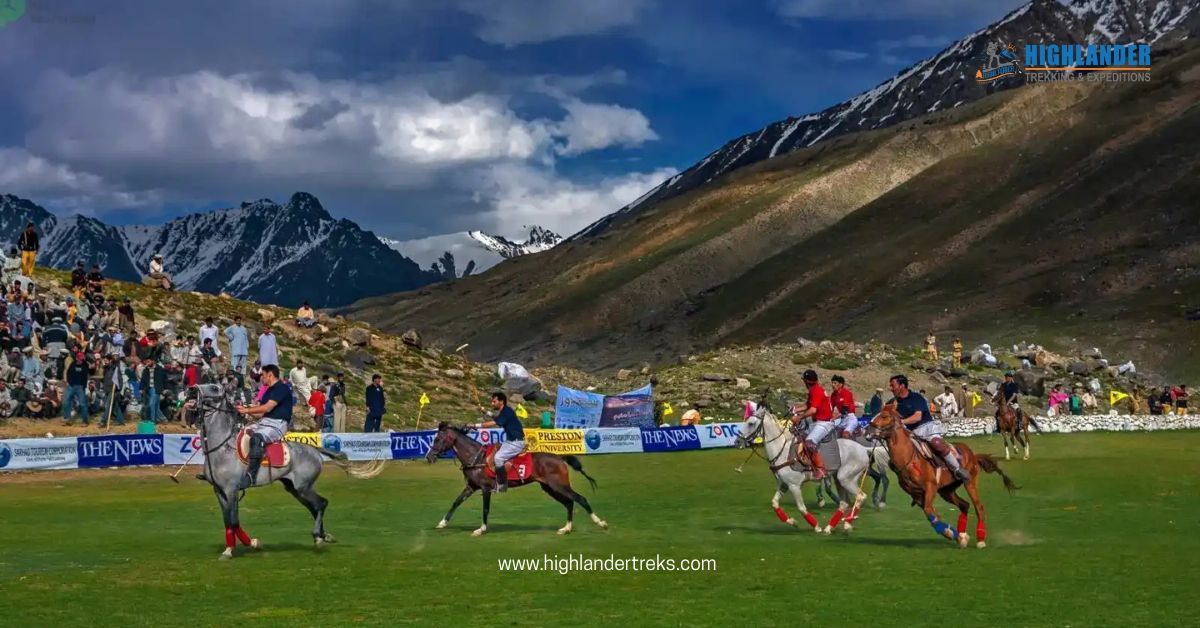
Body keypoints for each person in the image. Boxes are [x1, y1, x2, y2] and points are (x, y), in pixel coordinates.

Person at [889, 374, 970, 483]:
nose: (890, 388)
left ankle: (957, 469)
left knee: (937, 444)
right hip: (909, 433)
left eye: (893, 385)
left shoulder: (916, 397)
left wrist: (900, 422)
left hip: (926, 428)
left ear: (902, 386)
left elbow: (918, 417)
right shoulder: (893, 402)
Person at [234, 364, 293, 489]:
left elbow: (267, 407)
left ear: (270, 375)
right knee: (239, 433)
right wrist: (245, 410)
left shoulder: (282, 388)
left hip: (278, 424)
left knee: (256, 438)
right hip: (264, 422)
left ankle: (251, 477)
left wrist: (246, 410)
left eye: (263, 375)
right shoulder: (268, 391)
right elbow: (261, 413)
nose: (261, 378)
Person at [473, 391, 525, 493]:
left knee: (498, 458)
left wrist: (475, 425)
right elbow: (498, 418)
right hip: (510, 441)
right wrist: (485, 412)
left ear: (501, 401)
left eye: (494, 401)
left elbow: (494, 422)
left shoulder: (507, 411)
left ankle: (502, 485)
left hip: (516, 443)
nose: (492, 403)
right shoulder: (504, 411)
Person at [790, 369, 833, 480]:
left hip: (824, 423)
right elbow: (808, 405)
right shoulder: (813, 390)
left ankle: (820, 469)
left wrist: (799, 417)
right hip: (816, 422)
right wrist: (795, 408)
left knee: (809, 443)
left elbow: (813, 410)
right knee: (799, 437)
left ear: (806, 382)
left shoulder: (817, 391)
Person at [63, 351, 91, 425]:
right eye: (80, 359)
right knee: (66, 402)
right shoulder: (72, 364)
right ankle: (67, 419)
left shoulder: (85, 366)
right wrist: (67, 382)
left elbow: (86, 377)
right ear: (76, 358)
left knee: (82, 404)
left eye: (82, 359)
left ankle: (85, 420)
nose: (81, 360)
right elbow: (68, 372)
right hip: (71, 386)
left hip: (80, 387)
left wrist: (85, 387)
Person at [140, 356, 167, 423]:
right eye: (146, 362)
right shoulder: (146, 370)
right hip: (148, 389)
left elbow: (164, 379)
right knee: (156, 405)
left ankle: (152, 420)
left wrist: (165, 389)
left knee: (151, 404)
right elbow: (143, 379)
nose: (147, 363)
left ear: (153, 361)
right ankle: (163, 419)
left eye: (149, 361)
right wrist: (141, 388)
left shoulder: (160, 369)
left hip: (156, 389)